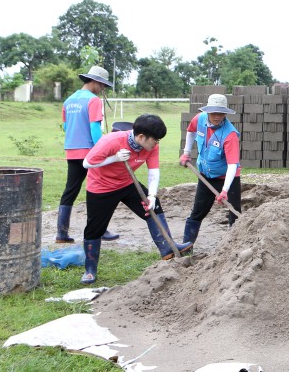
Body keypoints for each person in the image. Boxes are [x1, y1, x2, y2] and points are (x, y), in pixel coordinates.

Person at [80, 113, 192, 284]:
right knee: (95, 227)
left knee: (153, 207)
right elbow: (87, 163)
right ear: (141, 137)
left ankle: (167, 248)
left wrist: (152, 196)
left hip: (126, 183)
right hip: (101, 187)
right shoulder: (112, 140)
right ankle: (90, 270)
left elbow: (153, 171)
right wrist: (114, 158)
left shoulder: (151, 146)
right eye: (155, 140)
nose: (156, 143)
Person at [56, 66, 119, 244]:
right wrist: (103, 148)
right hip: (91, 153)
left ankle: (61, 233)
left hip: (71, 150)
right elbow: (94, 128)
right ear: (96, 82)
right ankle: (101, 229)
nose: (102, 89)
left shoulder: (68, 101)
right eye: (103, 86)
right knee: (99, 190)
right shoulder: (93, 101)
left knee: (70, 190)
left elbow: (66, 127)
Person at [179, 93, 242, 246]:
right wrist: (186, 152)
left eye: (221, 113)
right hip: (205, 176)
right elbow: (191, 131)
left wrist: (225, 191)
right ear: (207, 111)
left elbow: (233, 165)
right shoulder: (199, 119)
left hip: (228, 178)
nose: (217, 116)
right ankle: (186, 247)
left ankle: (234, 248)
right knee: (197, 212)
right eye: (214, 112)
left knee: (235, 214)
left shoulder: (230, 134)